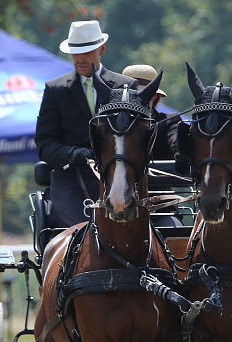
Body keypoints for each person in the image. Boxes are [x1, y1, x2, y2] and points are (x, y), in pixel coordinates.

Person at [35, 20, 138, 228]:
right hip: (71, 182)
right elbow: (45, 143)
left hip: (120, 180)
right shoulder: (56, 90)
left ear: (102, 49)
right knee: (80, 233)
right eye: (75, 52)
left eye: (87, 52)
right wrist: (72, 154)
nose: (80, 59)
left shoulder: (126, 86)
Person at [121, 64, 185, 227]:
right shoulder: (113, 125)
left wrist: (180, 151)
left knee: (174, 230)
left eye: (144, 94)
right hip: (118, 203)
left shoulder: (169, 120)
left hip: (160, 205)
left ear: (154, 96)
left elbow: (174, 140)